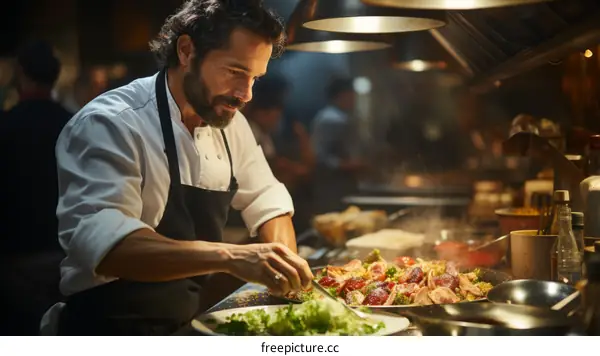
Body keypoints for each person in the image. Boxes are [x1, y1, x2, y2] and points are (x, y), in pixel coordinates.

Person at [41, 0, 313, 336]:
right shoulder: (110, 123)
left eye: (255, 77)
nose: (246, 94)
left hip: (184, 325)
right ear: (186, 51)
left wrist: (281, 267)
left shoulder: (230, 124)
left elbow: (267, 200)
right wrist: (232, 256)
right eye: (235, 72)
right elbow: (109, 249)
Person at [0, 40, 72, 335]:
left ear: (21, 75)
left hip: (18, 255)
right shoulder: (74, 123)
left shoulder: (7, 126)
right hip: (67, 252)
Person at [310, 77, 366, 214]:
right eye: (351, 95)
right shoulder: (330, 119)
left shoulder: (342, 117)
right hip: (332, 185)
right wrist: (347, 165)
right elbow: (320, 156)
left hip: (343, 184)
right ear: (342, 95)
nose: (354, 99)